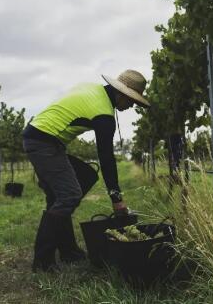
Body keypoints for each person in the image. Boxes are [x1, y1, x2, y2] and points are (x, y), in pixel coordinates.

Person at [22, 69, 150, 272]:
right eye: (132, 101)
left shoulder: (94, 89)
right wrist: (117, 199)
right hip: (43, 140)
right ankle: (43, 262)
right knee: (70, 194)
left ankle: (68, 251)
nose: (132, 106)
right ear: (122, 94)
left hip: (43, 138)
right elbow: (106, 158)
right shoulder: (104, 113)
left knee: (83, 177)